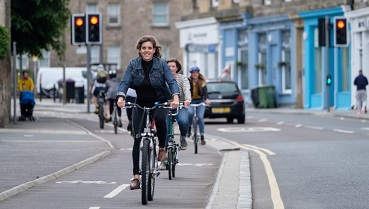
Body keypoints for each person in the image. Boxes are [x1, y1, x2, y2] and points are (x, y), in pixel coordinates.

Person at [116, 35, 180, 190]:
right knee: (137, 138)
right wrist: (121, 96)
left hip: (160, 100)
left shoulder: (161, 64)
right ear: (139, 49)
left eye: (149, 48)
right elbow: (125, 81)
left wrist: (175, 98)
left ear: (154, 50)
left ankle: (163, 149)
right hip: (141, 102)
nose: (146, 51)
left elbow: (171, 81)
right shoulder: (133, 64)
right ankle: (136, 177)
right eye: (143, 48)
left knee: (159, 118)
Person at [159, 58, 191, 170]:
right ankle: (163, 159)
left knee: (183, 121)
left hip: (180, 105)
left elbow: (187, 89)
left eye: (173, 66)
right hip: (166, 106)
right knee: (165, 130)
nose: (171, 68)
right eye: (169, 66)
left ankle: (183, 137)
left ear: (177, 68)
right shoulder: (162, 78)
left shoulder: (182, 78)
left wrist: (187, 100)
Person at [187, 66, 210, 145]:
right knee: (190, 113)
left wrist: (207, 99)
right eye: (193, 73)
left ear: (198, 73)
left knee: (200, 117)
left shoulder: (202, 82)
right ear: (191, 74)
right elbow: (185, 91)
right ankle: (189, 128)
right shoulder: (188, 81)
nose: (195, 74)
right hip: (191, 101)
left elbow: (205, 92)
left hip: (200, 101)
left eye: (196, 72)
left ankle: (202, 136)